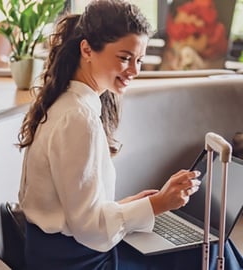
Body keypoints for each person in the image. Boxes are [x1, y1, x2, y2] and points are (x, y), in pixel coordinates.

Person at [16, 0, 243, 269]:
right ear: (87, 49)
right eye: (125, 58)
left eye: (139, 60)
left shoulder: (67, 104)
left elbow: (73, 210)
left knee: (207, 242)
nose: (134, 70)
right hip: (75, 261)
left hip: (57, 251)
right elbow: (89, 229)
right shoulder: (79, 118)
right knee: (211, 245)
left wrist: (133, 205)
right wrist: (157, 204)